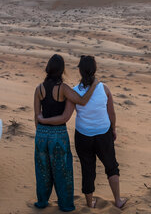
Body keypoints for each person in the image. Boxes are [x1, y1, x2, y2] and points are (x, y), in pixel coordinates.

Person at [38, 55, 127, 209]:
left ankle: (89, 203)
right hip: (103, 134)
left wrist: (43, 120)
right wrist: (113, 129)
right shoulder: (104, 88)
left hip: (83, 136)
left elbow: (66, 115)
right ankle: (118, 200)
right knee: (111, 166)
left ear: (79, 70)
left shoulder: (73, 92)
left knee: (88, 169)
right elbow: (111, 113)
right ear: (94, 70)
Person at [34, 54, 97, 211]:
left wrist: (43, 127)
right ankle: (66, 205)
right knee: (63, 172)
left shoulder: (38, 89)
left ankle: (42, 202)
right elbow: (81, 101)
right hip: (58, 134)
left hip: (41, 134)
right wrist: (94, 85)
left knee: (42, 171)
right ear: (62, 70)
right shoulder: (63, 88)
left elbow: (37, 117)